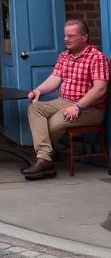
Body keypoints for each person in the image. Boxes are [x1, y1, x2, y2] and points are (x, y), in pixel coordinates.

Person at [21, 20, 109, 180]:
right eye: (65, 36)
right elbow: (54, 79)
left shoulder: (97, 58)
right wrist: (38, 90)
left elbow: (100, 89)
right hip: (63, 101)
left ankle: (43, 159)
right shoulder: (64, 56)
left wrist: (78, 106)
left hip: (90, 108)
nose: (66, 39)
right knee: (34, 108)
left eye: (71, 36)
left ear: (84, 37)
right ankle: (45, 159)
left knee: (54, 123)